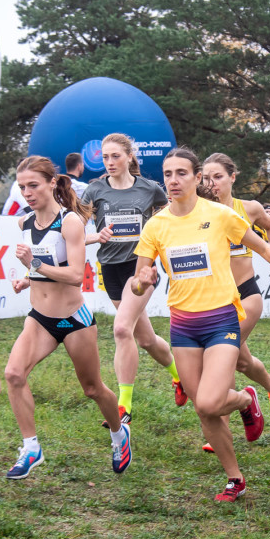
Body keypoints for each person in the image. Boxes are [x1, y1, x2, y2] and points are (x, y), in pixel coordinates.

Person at [129, 147, 270, 501]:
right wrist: (143, 279)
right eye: (167, 174)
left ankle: (247, 400)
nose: (173, 180)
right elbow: (137, 282)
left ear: (195, 177)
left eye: (181, 173)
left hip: (222, 319)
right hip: (183, 326)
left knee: (208, 402)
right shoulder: (157, 225)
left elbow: (260, 244)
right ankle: (235, 477)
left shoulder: (219, 214)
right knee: (203, 407)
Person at [4, 156, 131, 479]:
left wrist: (33, 266)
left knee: (93, 389)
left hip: (74, 319)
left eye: (33, 185)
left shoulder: (70, 222)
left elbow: (75, 275)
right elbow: (45, 268)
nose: (27, 193)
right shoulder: (25, 223)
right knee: (14, 374)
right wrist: (27, 280)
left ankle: (119, 434)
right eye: (22, 187)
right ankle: (31, 447)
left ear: (51, 183)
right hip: (40, 319)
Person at [82, 134, 183, 430]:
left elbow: (168, 222)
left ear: (129, 156)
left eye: (115, 156)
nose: (110, 162)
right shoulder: (95, 189)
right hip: (110, 269)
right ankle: (181, 378)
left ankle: (123, 406)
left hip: (140, 268)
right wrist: (95, 237)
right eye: (105, 158)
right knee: (146, 339)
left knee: (122, 328)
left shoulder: (150, 190)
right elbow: (74, 229)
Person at [203, 153, 270, 433]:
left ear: (232, 177)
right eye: (205, 177)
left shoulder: (248, 208)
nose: (211, 183)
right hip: (214, 299)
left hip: (246, 294)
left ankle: (222, 428)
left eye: (218, 177)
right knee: (242, 361)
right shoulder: (199, 210)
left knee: (222, 356)